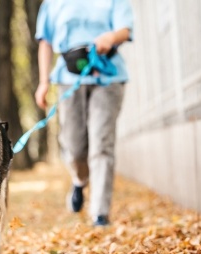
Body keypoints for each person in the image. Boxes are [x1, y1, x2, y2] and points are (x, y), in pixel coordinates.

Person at [35, 0, 134, 226]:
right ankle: (79, 180)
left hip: (108, 76)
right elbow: (45, 42)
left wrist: (110, 38)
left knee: (101, 144)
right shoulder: (51, 4)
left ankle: (100, 212)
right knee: (74, 147)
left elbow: (125, 29)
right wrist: (43, 83)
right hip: (68, 79)